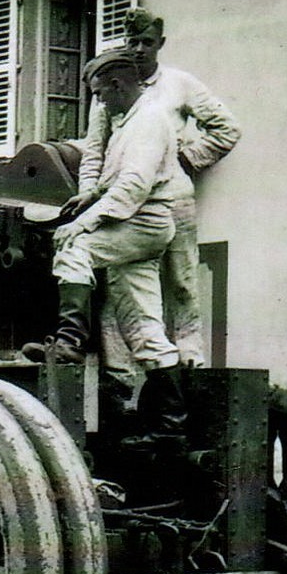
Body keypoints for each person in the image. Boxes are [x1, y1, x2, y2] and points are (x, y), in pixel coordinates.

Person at [23, 48, 187, 450]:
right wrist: (92, 193)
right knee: (145, 329)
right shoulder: (129, 120)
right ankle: (171, 426)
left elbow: (133, 187)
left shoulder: (148, 120)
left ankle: (69, 345)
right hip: (141, 227)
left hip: (142, 222)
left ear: (117, 85)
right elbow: (119, 177)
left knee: (74, 248)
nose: (98, 101)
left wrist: (83, 222)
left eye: (100, 93)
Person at [89, 7, 240, 382]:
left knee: (183, 281)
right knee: (119, 288)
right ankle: (121, 374)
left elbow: (227, 128)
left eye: (147, 43)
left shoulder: (180, 84)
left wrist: (185, 160)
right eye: (133, 42)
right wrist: (91, 200)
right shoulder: (108, 90)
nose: (139, 50)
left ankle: (190, 361)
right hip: (127, 205)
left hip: (174, 201)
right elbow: (94, 151)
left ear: (161, 45)